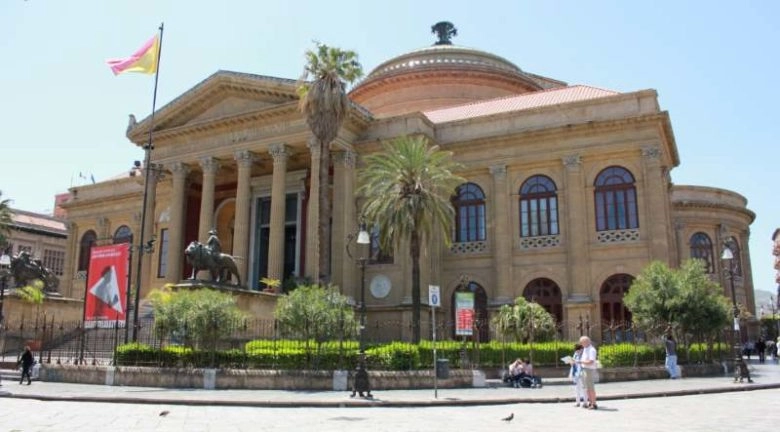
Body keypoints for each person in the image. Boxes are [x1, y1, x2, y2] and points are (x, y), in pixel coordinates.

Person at [577, 335, 598, 410]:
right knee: (587, 388)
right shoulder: (586, 348)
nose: (581, 344)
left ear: (586, 342)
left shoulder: (591, 350)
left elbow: (591, 361)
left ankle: (594, 403)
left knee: (590, 387)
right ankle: (590, 402)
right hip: (584, 369)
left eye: (582, 342)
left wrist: (580, 361)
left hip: (589, 370)